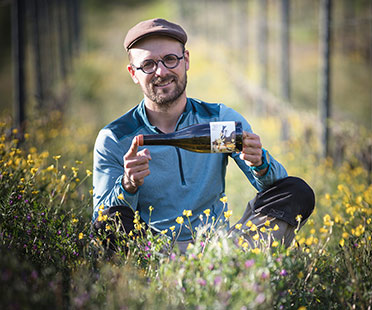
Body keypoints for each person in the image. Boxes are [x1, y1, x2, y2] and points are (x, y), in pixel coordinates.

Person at [92, 18, 315, 253]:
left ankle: (225, 262)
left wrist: (259, 164)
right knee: (107, 223)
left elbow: (277, 187)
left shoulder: (219, 120)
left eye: (170, 59)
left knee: (296, 191)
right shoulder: (115, 137)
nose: (161, 71)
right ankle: (198, 271)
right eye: (148, 64)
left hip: (220, 245)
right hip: (155, 250)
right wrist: (128, 185)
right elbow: (101, 218)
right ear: (133, 73)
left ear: (186, 60)